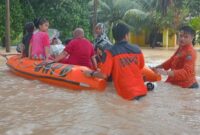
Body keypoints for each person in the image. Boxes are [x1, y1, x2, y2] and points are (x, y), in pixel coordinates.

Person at [83, 23, 147, 100]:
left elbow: (104, 75)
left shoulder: (110, 52)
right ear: (126, 35)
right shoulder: (137, 49)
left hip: (126, 95)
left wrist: (91, 73)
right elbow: (141, 66)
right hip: (143, 92)